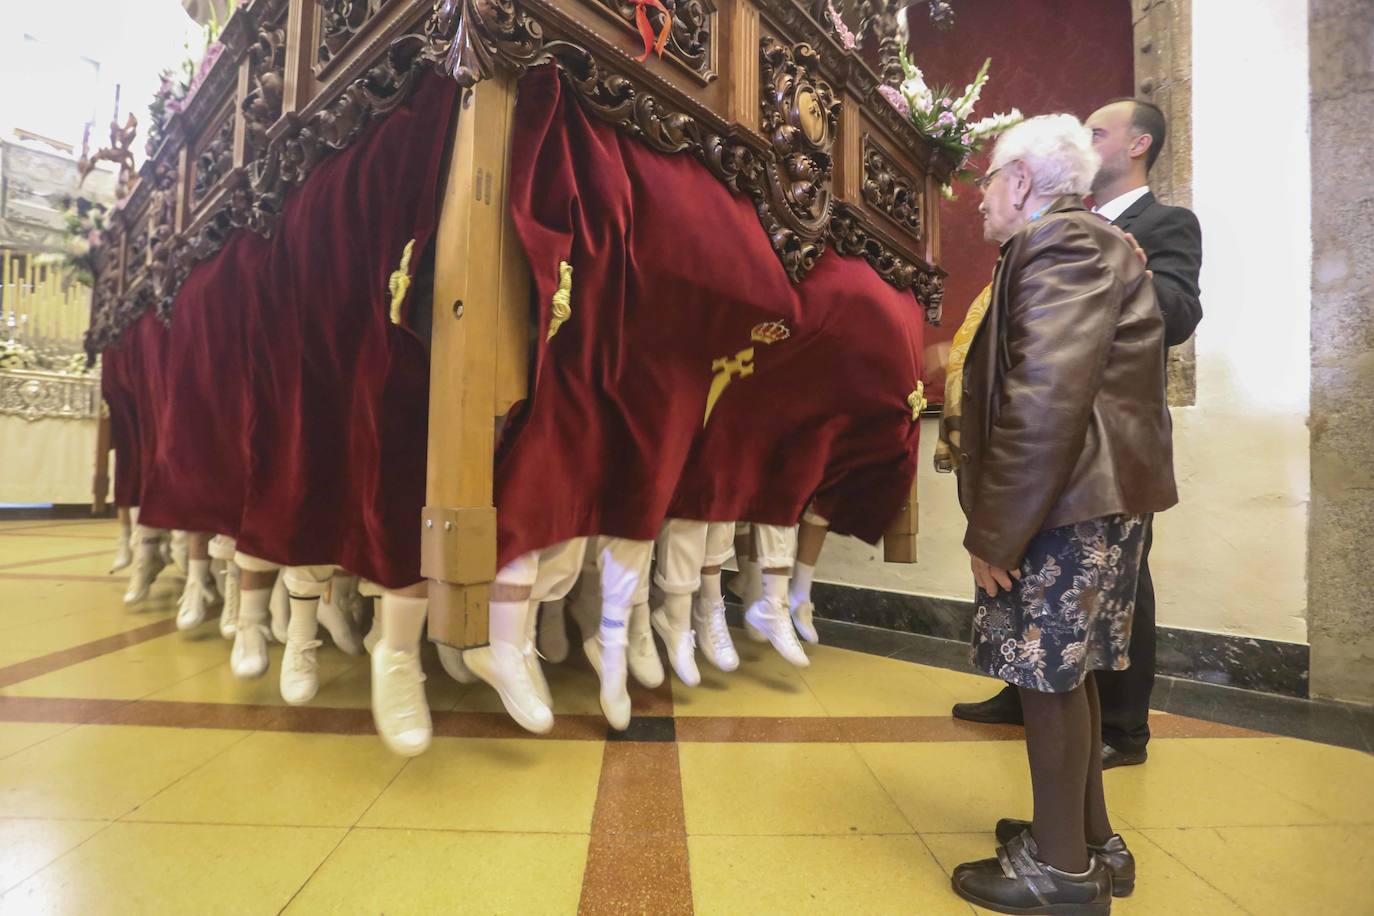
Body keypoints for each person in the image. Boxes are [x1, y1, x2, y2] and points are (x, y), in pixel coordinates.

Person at [946, 114, 1177, 913]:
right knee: (1067, 675)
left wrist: (996, 531)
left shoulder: (1063, 244)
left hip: (1066, 501)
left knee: (1045, 677)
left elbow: (1044, 399)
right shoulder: (1082, 243)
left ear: (1020, 183)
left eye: (987, 180)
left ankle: (1062, 874)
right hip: (1088, 496)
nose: (977, 198)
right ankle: (1084, 838)